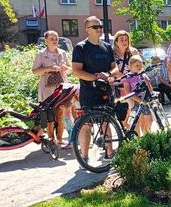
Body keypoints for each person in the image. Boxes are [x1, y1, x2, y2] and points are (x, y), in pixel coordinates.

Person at [72, 16, 121, 158]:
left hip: (106, 91)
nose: (99, 29)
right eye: (95, 27)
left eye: (100, 26)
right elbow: (76, 71)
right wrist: (95, 77)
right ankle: (84, 156)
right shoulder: (81, 47)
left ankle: (110, 153)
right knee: (86, 124)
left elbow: (115, 68)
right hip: (88, 91)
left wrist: (108, 74)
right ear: (87, 29)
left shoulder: (106, 46)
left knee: (106, 122)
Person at [32, 30, 71, 148]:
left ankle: (59, 139)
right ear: (46, 41)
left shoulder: (63, 53)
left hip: (61, 87)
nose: (55, 41)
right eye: (52, 39)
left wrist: (65, 68)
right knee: (49, 115)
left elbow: (70, 68)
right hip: (47, 88)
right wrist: (49, 68)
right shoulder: (40, 54)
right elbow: (35, 71)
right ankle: (50, 139)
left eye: (56, 38)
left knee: (61, 114)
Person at [122, 55, 154, 134]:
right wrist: (139, 100)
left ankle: (147, 136)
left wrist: (152, 94)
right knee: (136, 122)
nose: (139, 67)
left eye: (140, 65)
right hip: (135, 102)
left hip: (145, 101)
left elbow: (149, 86)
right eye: (136, 65)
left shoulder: (143, 75)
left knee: (149, 119)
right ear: (130, 66)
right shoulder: (127, 77)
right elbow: (128, 92)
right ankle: (138, 139)